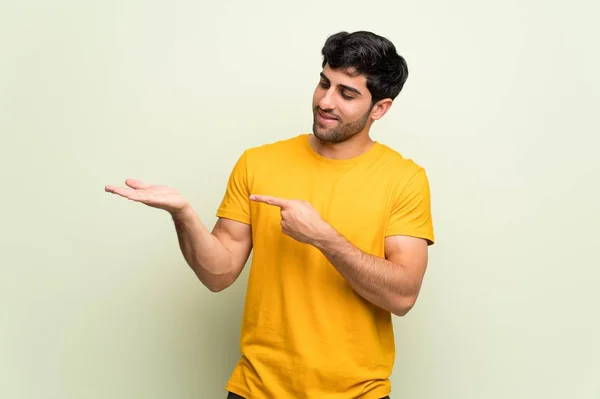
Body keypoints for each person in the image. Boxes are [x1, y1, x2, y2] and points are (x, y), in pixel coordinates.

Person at [105, 30, 435, 399]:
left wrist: (323, 237)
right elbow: (219, 274)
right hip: (255, 390)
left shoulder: (404, 179)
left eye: (347, 93)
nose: (326, 101)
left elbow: (402, 297)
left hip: (357, 394)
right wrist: (183, 215)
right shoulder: (258, 162)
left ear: (380, 108)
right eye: (324, 83)